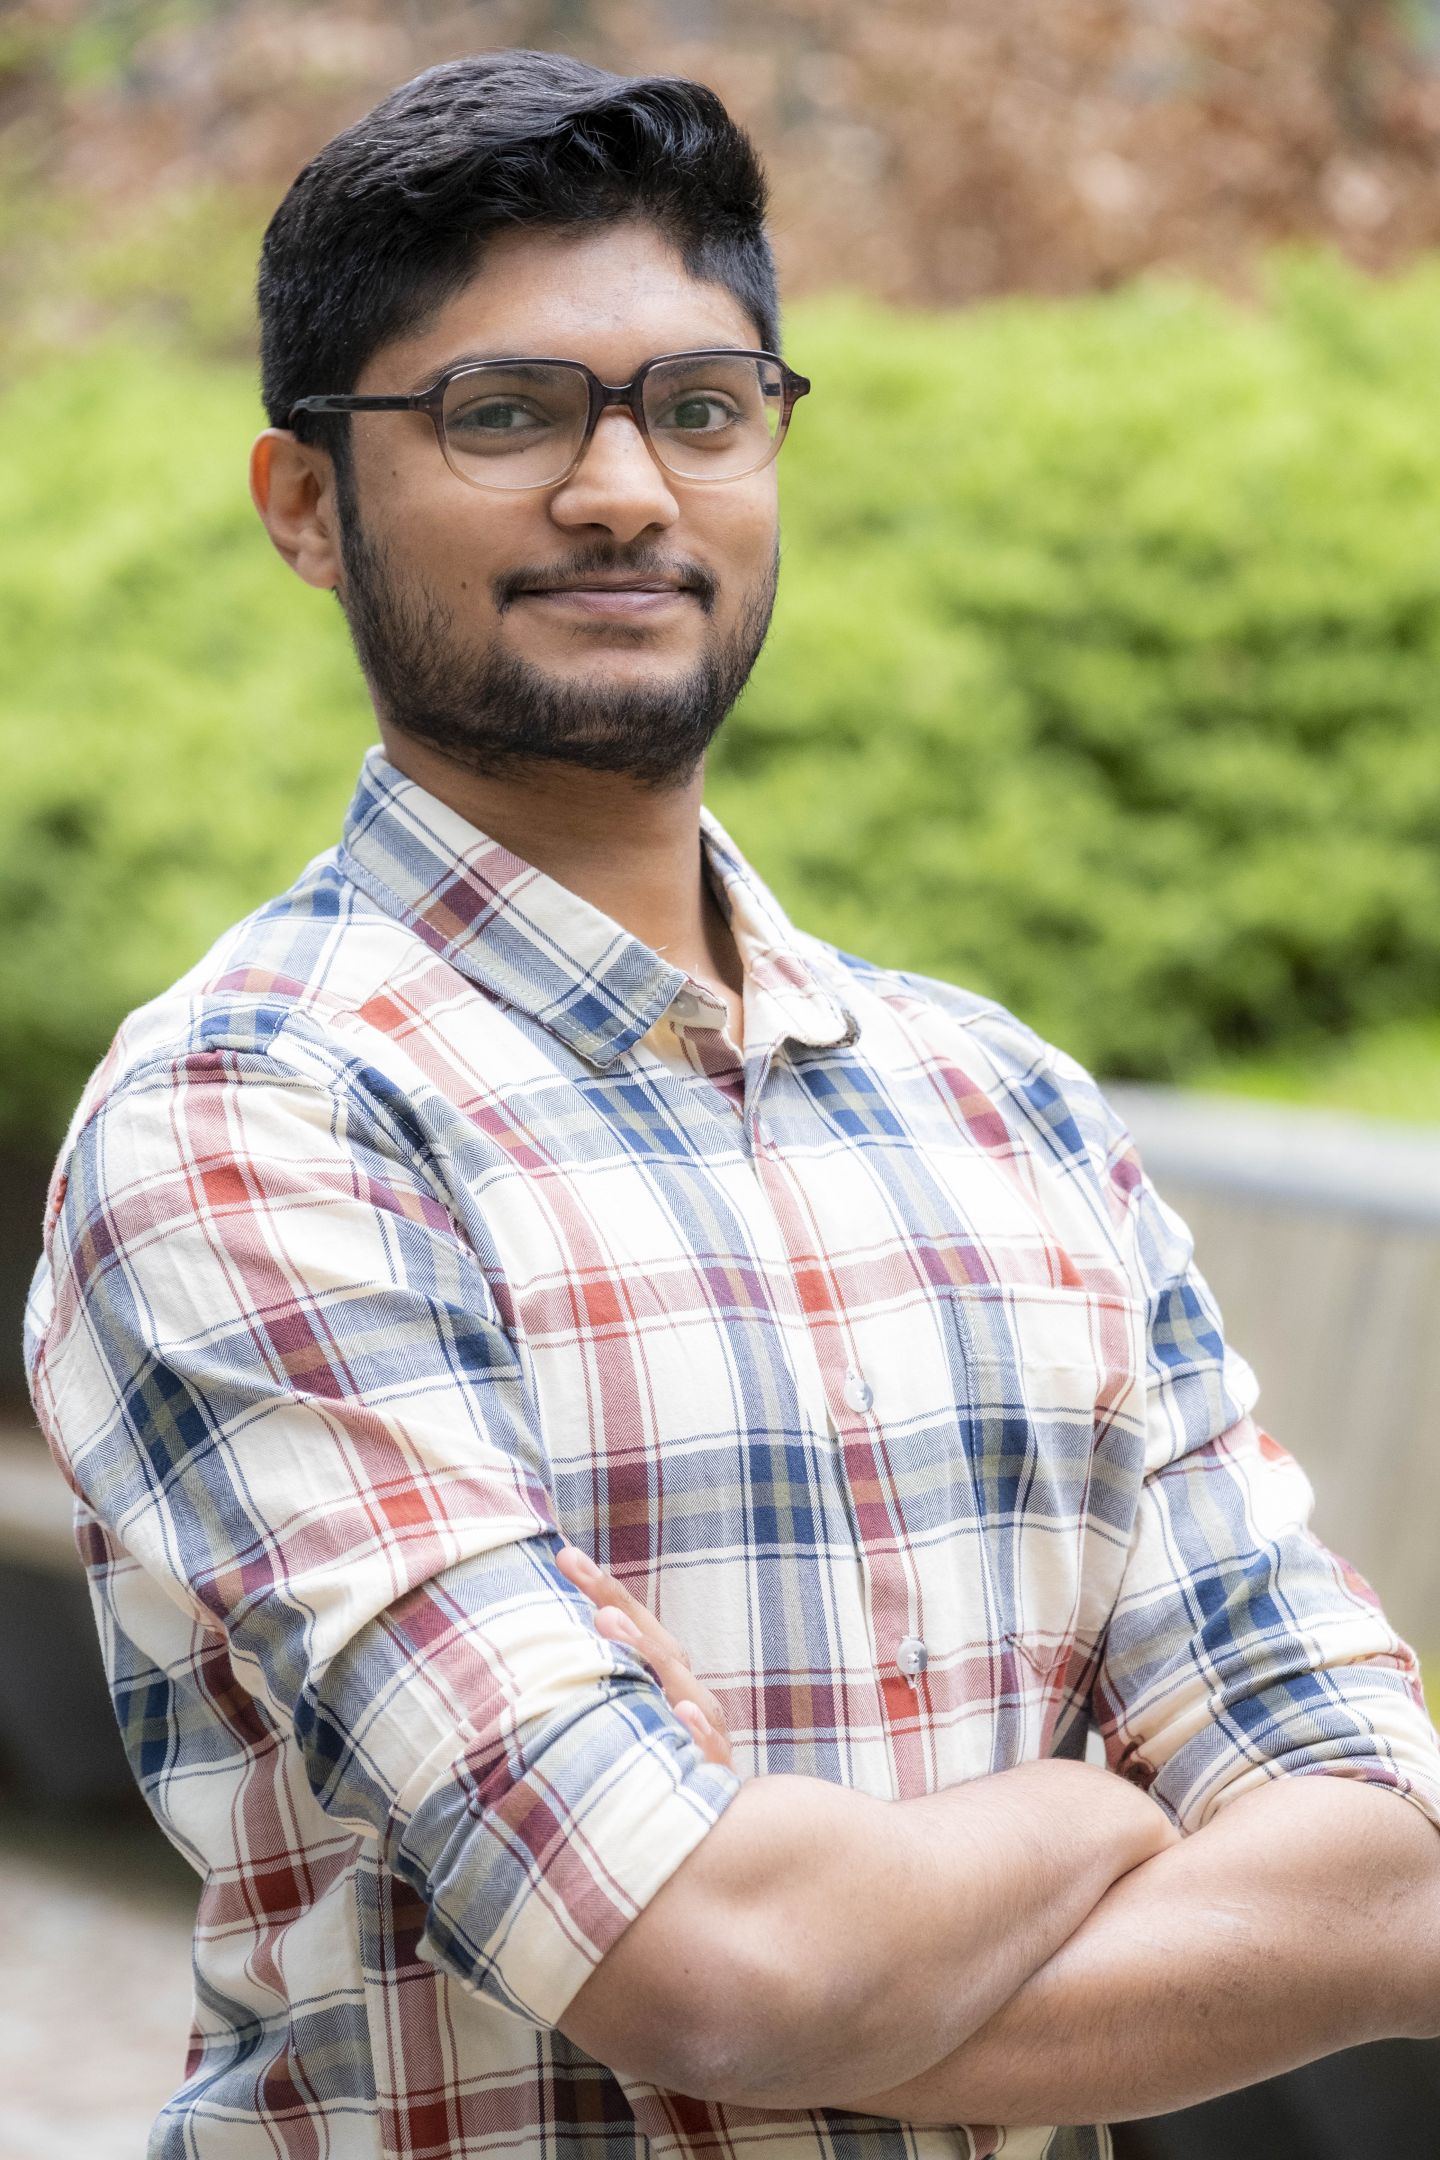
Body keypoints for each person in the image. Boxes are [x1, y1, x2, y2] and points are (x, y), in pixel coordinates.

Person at [23, 47, 1440, 2160]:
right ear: (306, 503)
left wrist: (834, 1956)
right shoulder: (256, 1121)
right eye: (503, 413)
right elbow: (724, 1973)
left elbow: (1389, 1866)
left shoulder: (1006, 1109)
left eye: (699, 408)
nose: (626, 490)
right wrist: (1087, 1803)